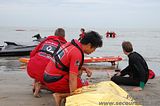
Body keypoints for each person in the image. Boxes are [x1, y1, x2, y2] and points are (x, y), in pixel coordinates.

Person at [43, 31, 103, 106]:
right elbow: (72, 79)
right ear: (89, 45)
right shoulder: (77, 53)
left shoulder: (70, 44)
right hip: (55, 80)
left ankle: (64, 95)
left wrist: (84, 68)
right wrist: (74, 98)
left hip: (48, 76)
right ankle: (60, 96)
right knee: (86, 88)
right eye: (94, 48)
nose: (93, 51)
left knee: (79, 77)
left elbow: (65, 64)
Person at [27, 28, 67, 97]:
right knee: (55, 88)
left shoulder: (45, 41)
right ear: (64, 36)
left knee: (40, 61)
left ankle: (36, 85)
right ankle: (41, 86)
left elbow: (32, 53)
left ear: (54, 34)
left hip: (31, 68)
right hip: (44, 72)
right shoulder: (64, 45)